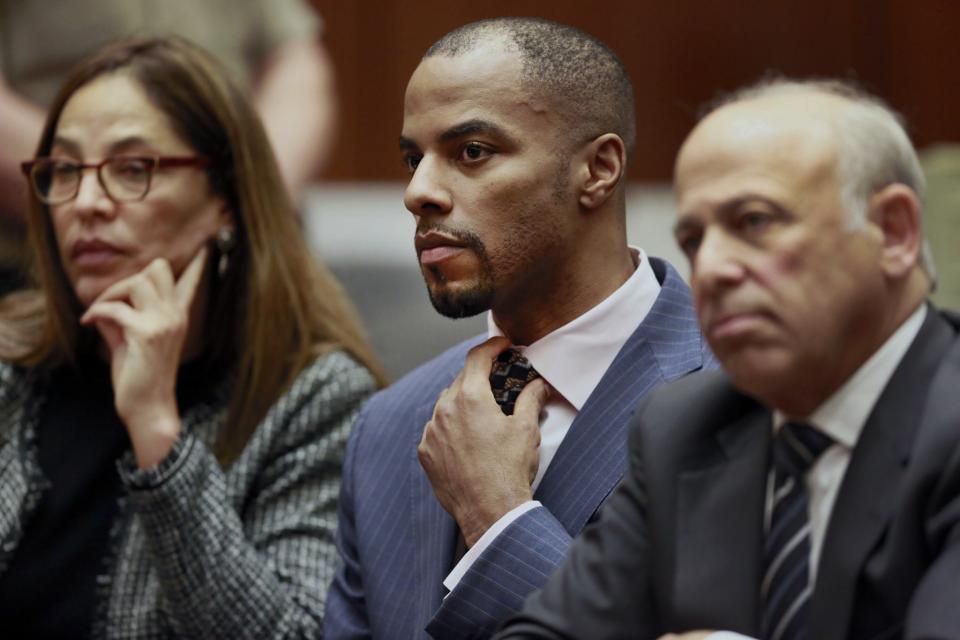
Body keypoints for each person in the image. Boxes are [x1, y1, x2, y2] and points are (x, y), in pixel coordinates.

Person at [496, 78, 960, 639]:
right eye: (694, 240)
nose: (711, 268)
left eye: (754, 222)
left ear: (893, 232)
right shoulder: (682, 427)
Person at [324, 17, 715, 639]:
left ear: (598, 169)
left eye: (471, 152)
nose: (418, 191)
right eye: (412, 158)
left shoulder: (748, 399)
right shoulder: (389, 427)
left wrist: (498, 519)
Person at [0, 36, 383, 638]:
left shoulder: (313, 400)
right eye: (67, 170)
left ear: (226, 200)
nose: (89, 203)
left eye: (133, 169)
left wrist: (158, 433)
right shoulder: (11, 363)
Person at [0, 0, 336, 293]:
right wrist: (83, 171)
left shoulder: (326, 368)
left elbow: (294, 59)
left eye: (136, 170)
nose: (88, 203)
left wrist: (252, 198)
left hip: (244, 262)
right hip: (30, 271)